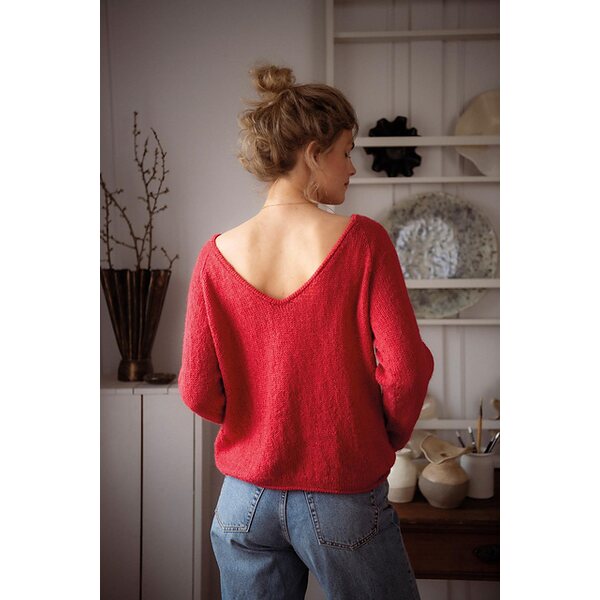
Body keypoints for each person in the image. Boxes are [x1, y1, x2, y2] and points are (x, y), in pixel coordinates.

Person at [178, 63, 435, 600]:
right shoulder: (363, 242)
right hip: (341, 488)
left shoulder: (215, 255)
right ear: (314, 154)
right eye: (346, 151)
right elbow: (407, 371)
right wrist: (380, 437)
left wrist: (261, 421)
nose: (352, 168)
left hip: (244, 500)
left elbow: (198, 389)